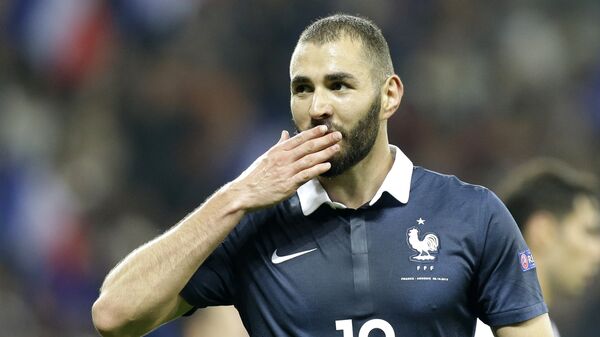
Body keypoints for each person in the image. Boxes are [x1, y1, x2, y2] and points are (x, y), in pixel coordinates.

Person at [92, 14, 554, 337]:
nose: (318, 108)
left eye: (339, 85)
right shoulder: (254, 224)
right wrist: (236, 196)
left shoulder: (472, 215)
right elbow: (115, 315)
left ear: (389, 96)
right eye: (302, 90)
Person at [475, 159, 600, 337]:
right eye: (588, 232)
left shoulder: (544, 329)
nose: (597, 253)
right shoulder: (477, 325)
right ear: (544, 231)